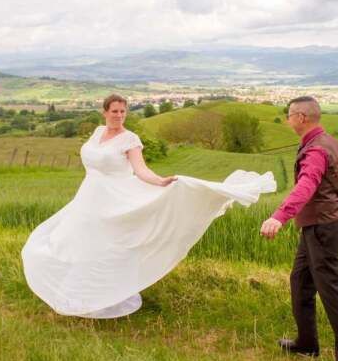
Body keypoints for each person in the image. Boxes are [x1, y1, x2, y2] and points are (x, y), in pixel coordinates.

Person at [22, 94, 276, 319]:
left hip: (116, 197)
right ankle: (80, 294)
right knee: (78, 241)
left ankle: (106, 294)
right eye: (114, 111)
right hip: (89, 196)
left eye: (123, 112)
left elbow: (141, 170)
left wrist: (160, 181)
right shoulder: (98, 132)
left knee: (110, 244)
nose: (119, 116)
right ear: (105, 112)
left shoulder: (130, 139)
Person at [260, 96, 338, 361]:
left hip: (323, 228)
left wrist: (279, 216)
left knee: (330, 291)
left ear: (301, 118)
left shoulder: (317, 151)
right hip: (318, 226)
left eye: (289, 115)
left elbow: (307, 185)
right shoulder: (331, 144)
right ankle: (307, 344)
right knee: (300, 282)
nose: (287, 120)